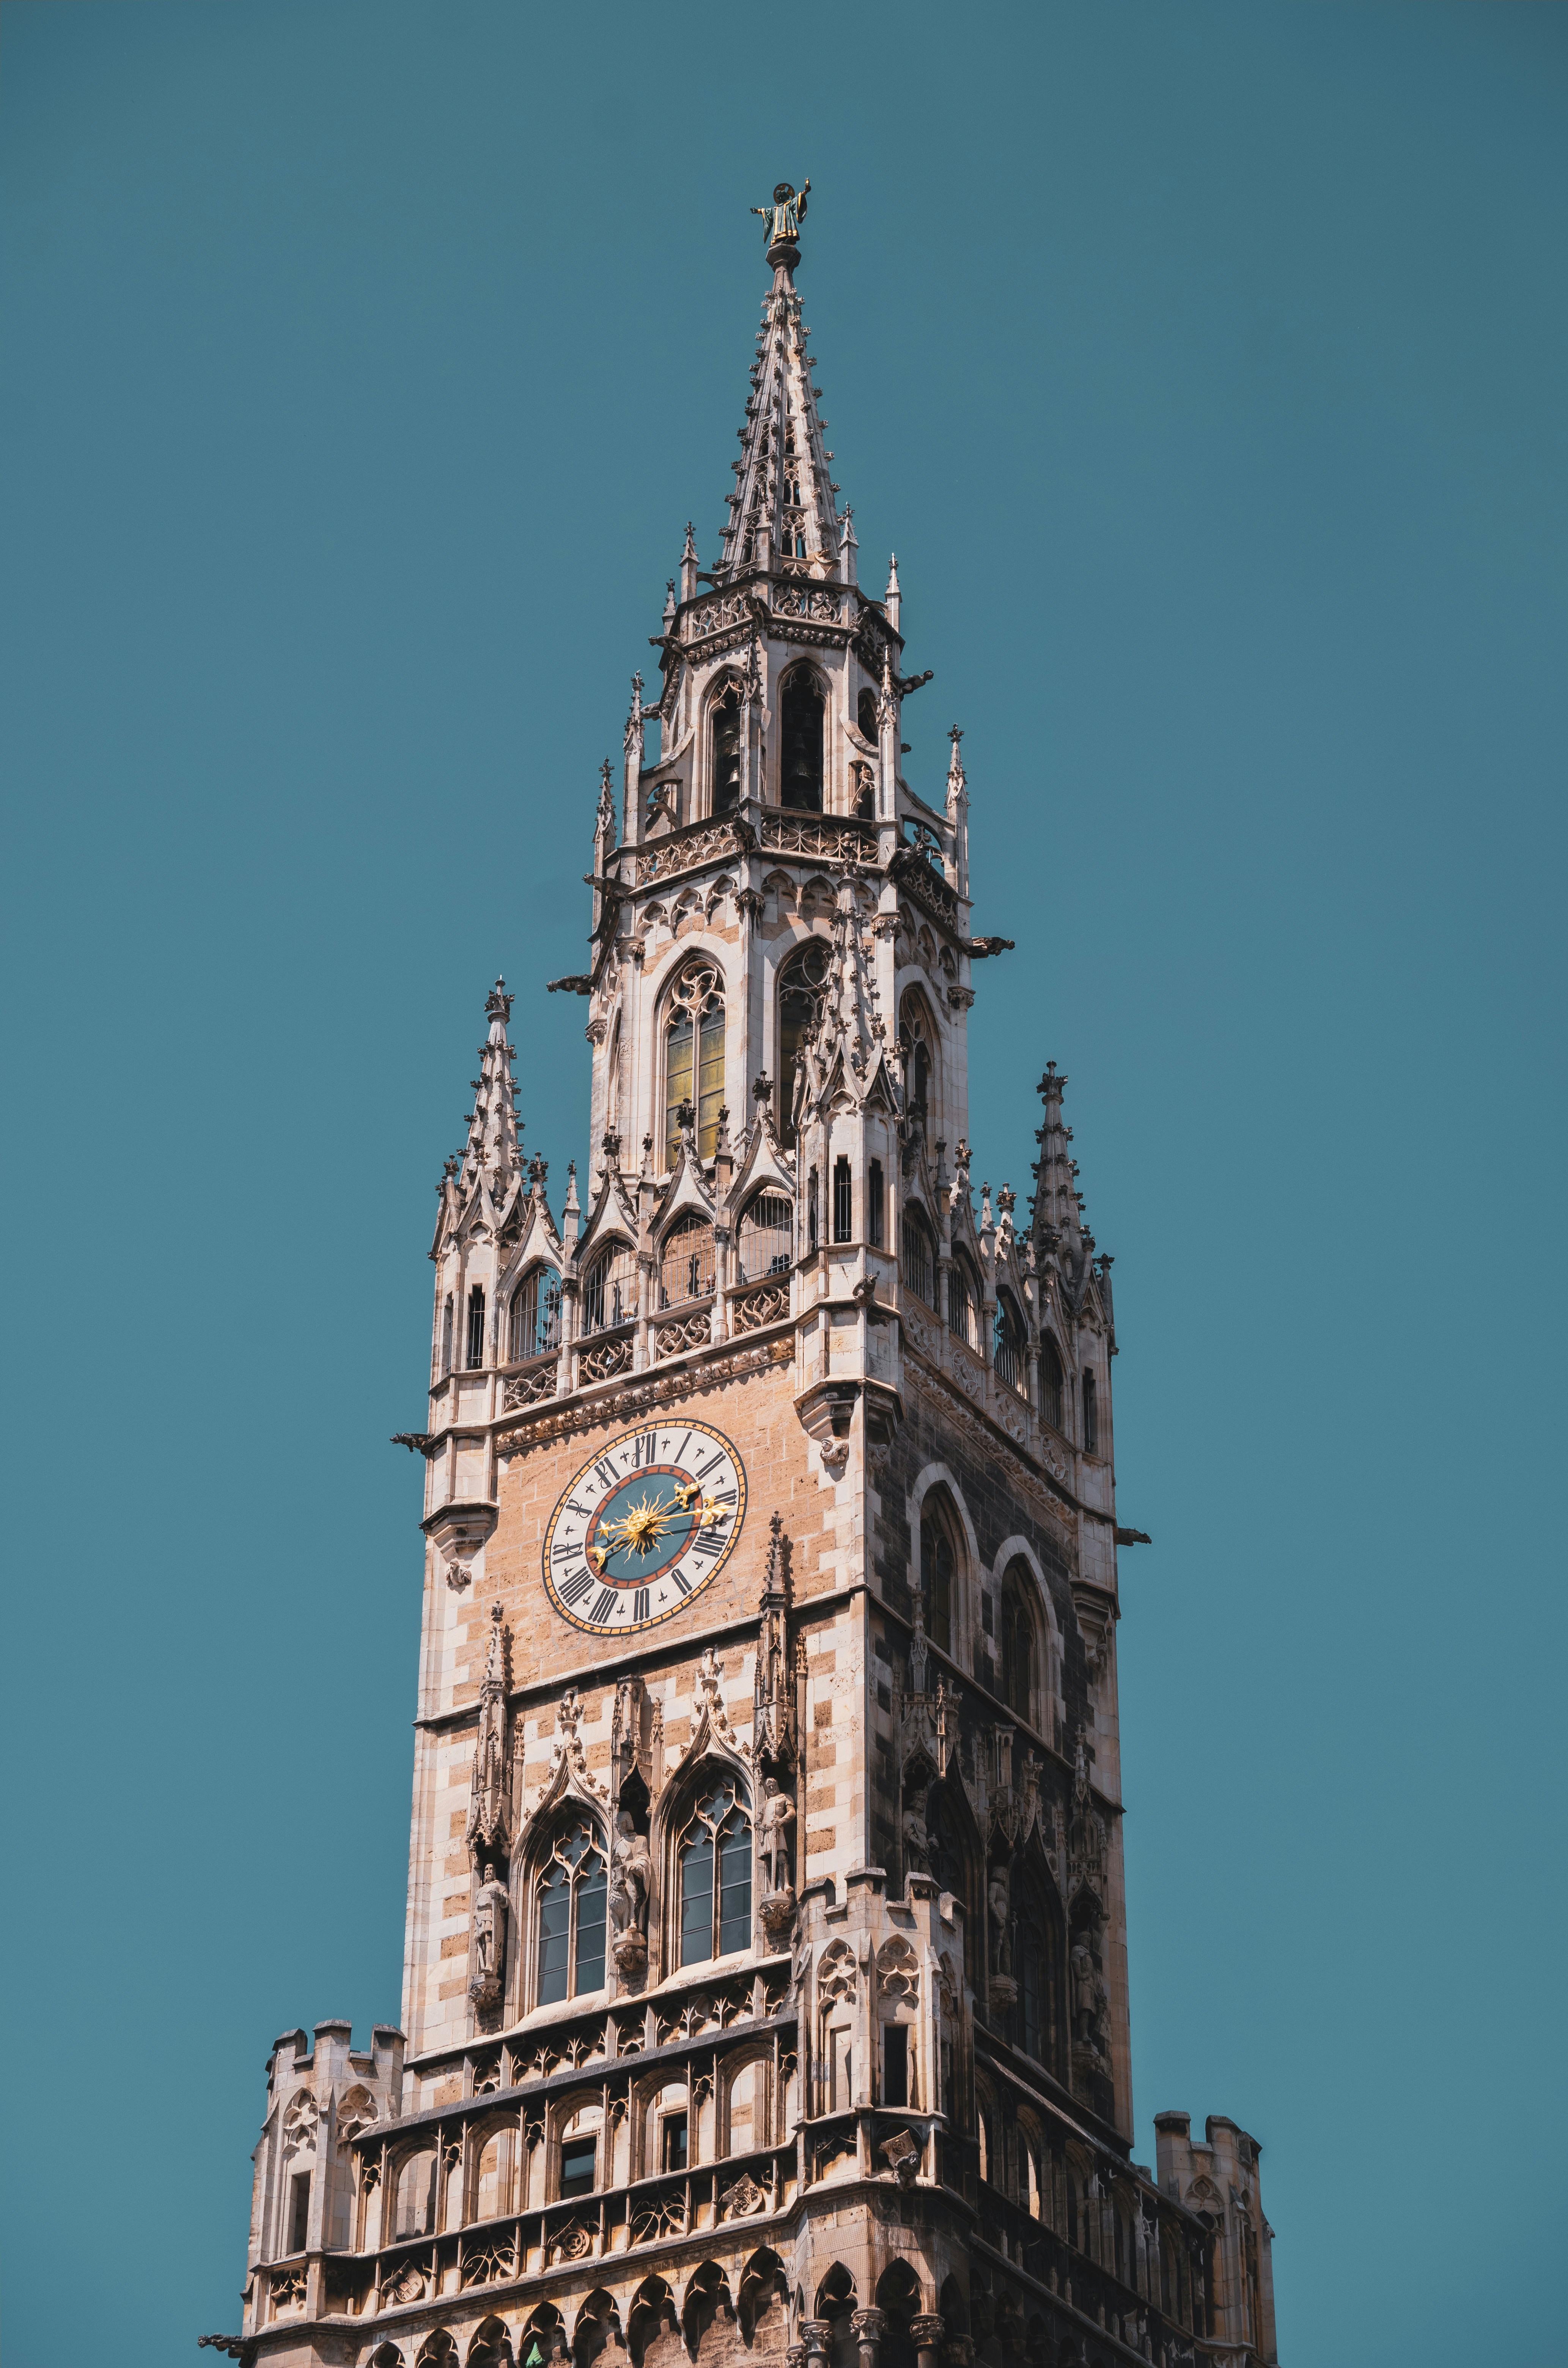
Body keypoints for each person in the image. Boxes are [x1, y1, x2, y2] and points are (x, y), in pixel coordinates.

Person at [753, 180, 810, 249]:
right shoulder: (775, 209)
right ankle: (778, 241)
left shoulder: (789, 204)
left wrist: (805, 192)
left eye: (781, 197)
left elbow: (798, 199)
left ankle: (788, 239)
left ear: (786, 197)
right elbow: (766, 211)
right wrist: (758, 211)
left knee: (787, 232)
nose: (780, 199)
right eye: (779, 198)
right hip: (777, 231)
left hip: (787, 227)